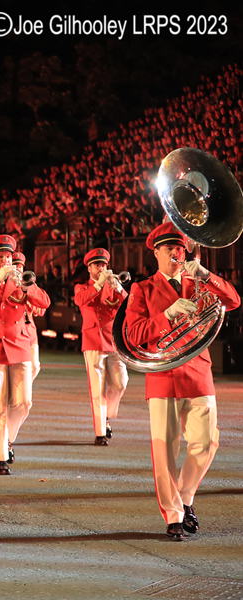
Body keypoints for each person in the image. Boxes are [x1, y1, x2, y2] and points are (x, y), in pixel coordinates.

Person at [124, 223, 240, 540]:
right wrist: (167, 315)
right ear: (156, 252)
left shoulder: (198, 283)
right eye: (170, 248)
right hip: (163, 374)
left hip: (198, 371)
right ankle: (173, 515)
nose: (177, 253)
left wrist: (204, 274)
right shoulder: (143, 289)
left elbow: (233, 300)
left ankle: (185, 496)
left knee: (207, 442)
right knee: (164, 449)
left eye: (181, 248)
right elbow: (133, 334)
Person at [0, 235, 50, 475]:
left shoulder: (20, 278)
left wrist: (28, 287)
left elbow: (44, 302)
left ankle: (8, 439)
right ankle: (0, 457)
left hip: (20, 343)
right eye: (0, 256)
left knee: (23, 402)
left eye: (8, 256)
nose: (5, 259)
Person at [73, 248, 128, 446]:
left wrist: (119, 287)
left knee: (121, 382)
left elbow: (130, 305)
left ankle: (106, 416)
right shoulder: (82, 287)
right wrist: (98, 284)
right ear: (89, 268)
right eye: (97, 265)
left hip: (113, 341)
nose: (102, 268)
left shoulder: (112, 286)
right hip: (93, 340)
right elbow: (80, 300)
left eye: (104, 265)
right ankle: (100, 432)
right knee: (97, 389)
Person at [12, 252, 46, 380]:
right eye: (15, 266)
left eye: (20, 266)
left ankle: (24, 389)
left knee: (35, 366)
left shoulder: (30, 284)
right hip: (16, 331)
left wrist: (30, 295)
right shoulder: (8, 285)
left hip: (30, 331)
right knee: (19, 367)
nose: (18, 269)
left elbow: (41, 310)